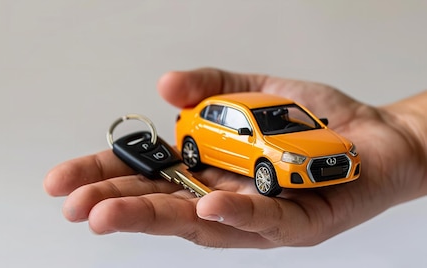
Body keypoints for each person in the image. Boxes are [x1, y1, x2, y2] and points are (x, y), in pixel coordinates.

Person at [43, 68, 427, 248]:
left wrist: (408, 136)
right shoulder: (226, 127)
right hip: (243, 141)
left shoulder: (319, 130)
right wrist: (406, 135)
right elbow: (262, 158)